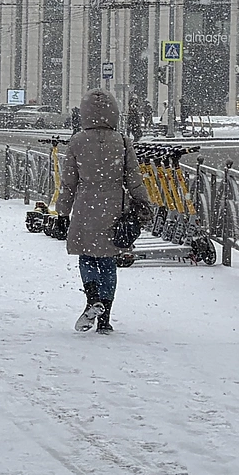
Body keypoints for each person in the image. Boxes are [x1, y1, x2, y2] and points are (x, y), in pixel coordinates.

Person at [58, 88, 151, 334]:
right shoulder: (122, 141)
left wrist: (62, 212)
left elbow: (68, 182)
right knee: (108, 262)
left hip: (85, 206)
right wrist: (143, 203)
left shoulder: (77, 141)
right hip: (114, 206)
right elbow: (134, 178)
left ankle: (92, 298)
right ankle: (105, 318)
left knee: (87, 256)